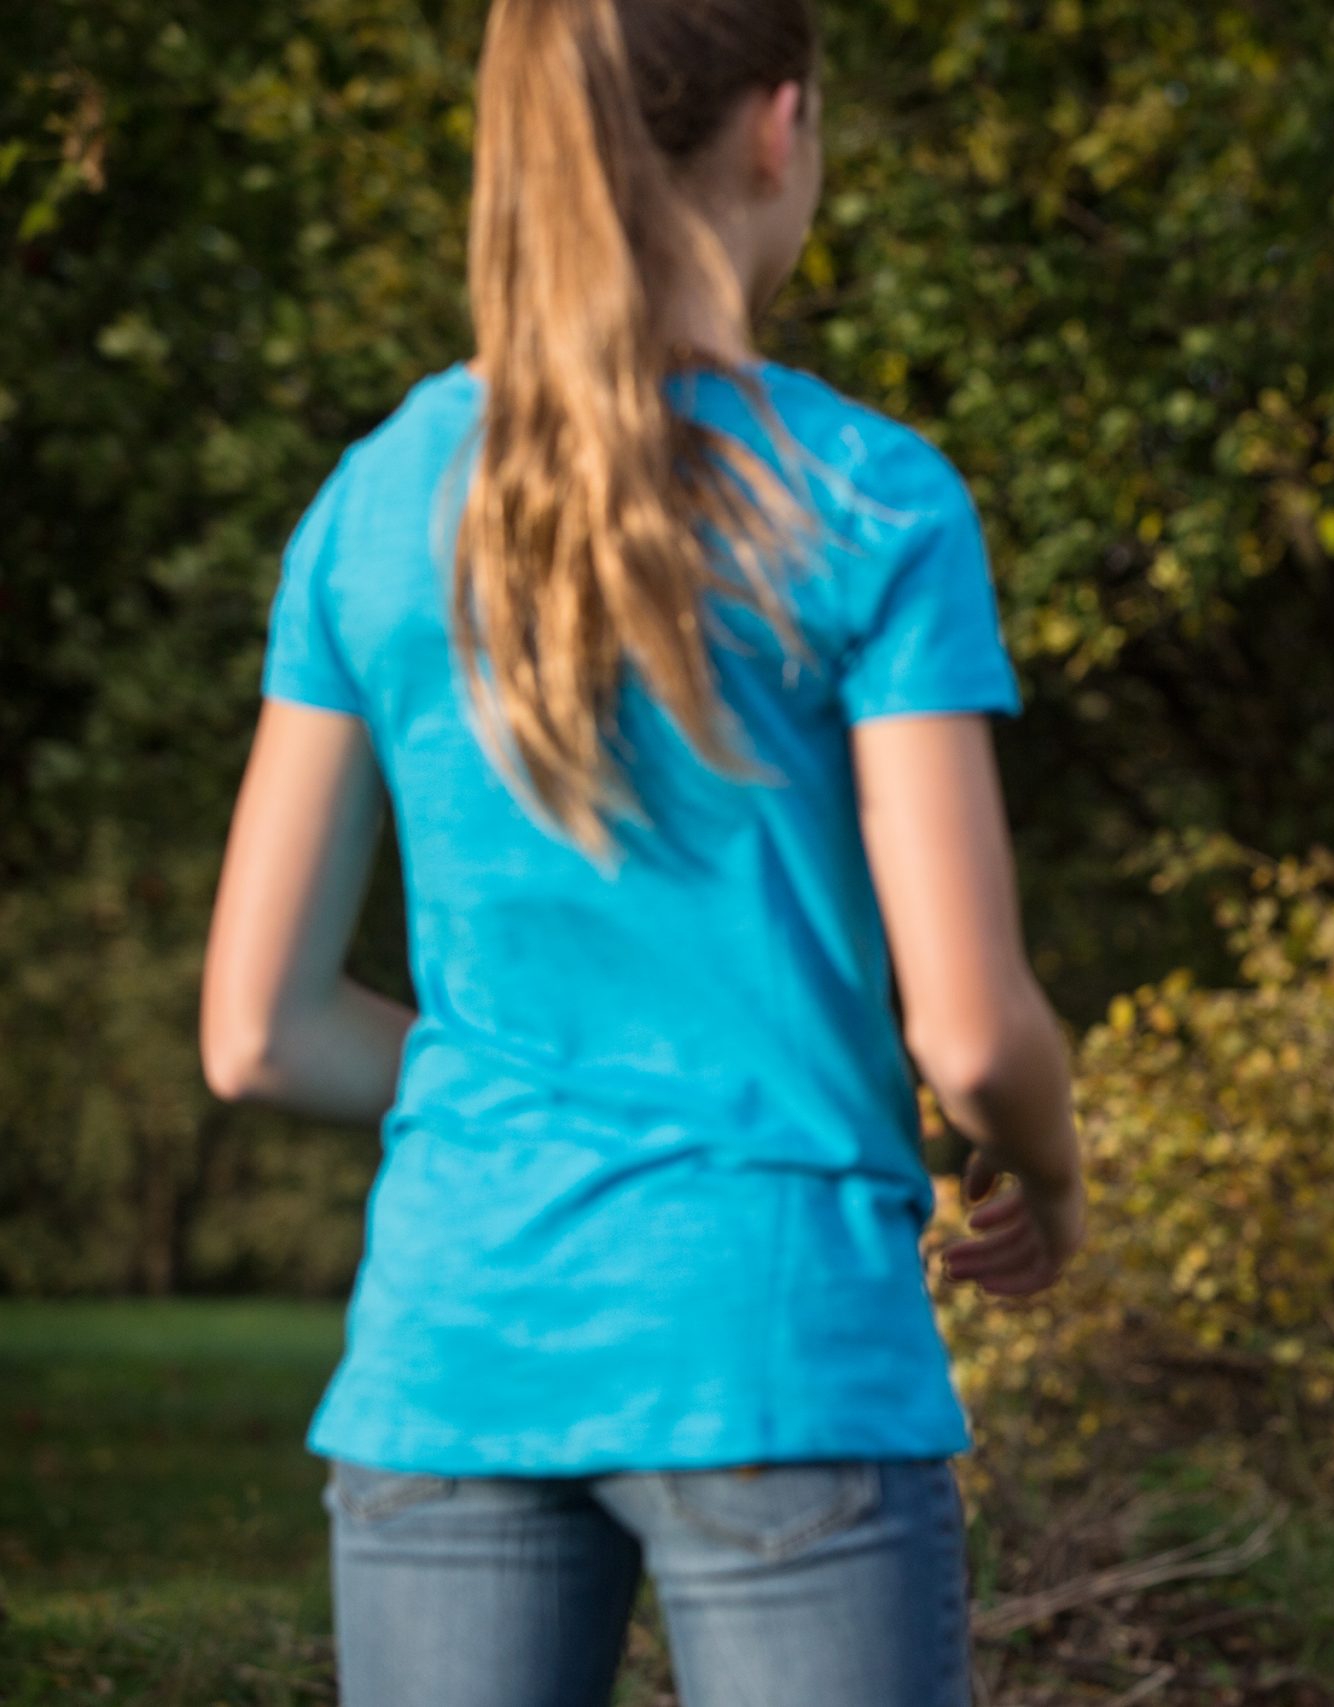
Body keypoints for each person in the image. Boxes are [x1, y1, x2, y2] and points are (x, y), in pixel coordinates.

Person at [198, 0, 1081, 1700]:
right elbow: (973, 1032)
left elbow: (258, 1030)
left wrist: (530, 1083)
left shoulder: (373, 500)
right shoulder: (866, 497)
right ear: (777, 125)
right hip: (779, 1343)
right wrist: (1047, 1177)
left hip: (450, 1354)